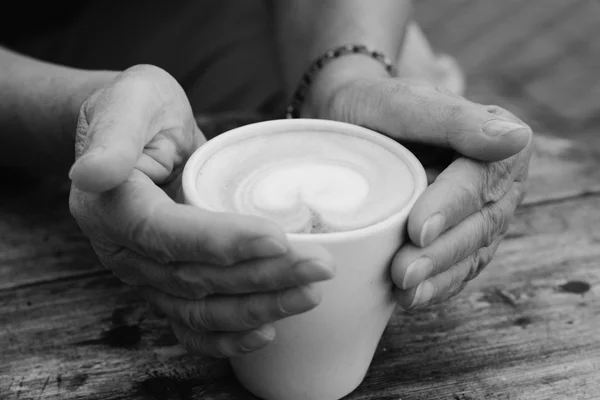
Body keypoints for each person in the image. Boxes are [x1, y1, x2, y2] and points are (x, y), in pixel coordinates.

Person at [0, 0, 533, 358]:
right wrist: (81, 119)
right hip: (29, 80)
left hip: (292, 29)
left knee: (423, 92)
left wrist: (345, 77)